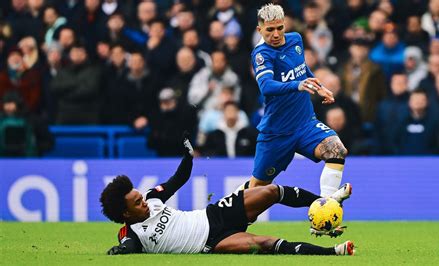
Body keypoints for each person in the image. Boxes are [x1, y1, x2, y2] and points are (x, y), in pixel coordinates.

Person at [100, 133, 354, 255]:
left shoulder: (152, 198)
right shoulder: (131, 233)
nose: (143, 201)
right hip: (212, 243)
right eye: (137, 202)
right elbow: (127, 246)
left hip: (215, 214)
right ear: (125, 213)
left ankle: (326, 203)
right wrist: (118, 251)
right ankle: (334, 252)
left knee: (270, 191)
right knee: (267, 244)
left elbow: (178, 179)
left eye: (140, 197)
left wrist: (188, 156)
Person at [247, 4, 347, 197]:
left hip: (305, 123)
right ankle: (229, 220)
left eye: (279, 28)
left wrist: (319, 87)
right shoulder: (261, 55)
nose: (276, 34)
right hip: (277, 133)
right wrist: (298, 85)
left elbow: (302, 70)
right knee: (256, 192)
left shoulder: (296, 40)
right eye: (270, 30)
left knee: (337, 150)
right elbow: (266, 87)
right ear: (260, 30)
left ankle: (326, 206)